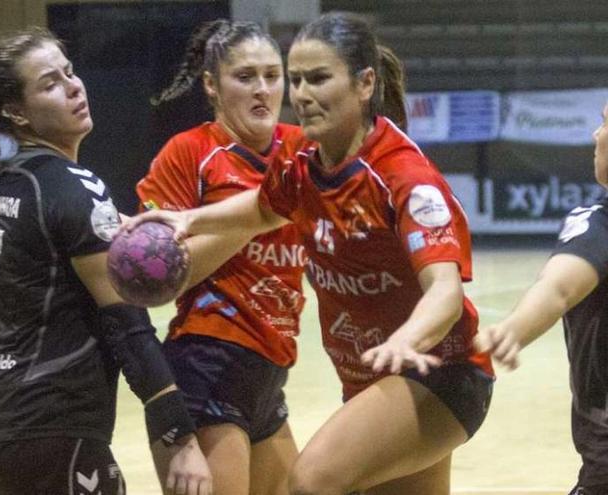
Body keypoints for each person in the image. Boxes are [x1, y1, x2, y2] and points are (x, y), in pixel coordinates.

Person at [127, 11, 495, 495]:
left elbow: (445, 292)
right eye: (296, 79)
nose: (300, 94)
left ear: (365, 84)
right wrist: (189, 219)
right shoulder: (301, 161)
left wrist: (408, 338)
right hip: (364, 378)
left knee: (311, 481)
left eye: (318, 79)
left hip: (436, 371)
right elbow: (264, 209)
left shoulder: (403, 176)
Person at [0, 28, 212, 495]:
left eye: (70, 72)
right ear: (17, 112)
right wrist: (176, 432)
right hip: (51, 430)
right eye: (50, 83)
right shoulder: (75, 185)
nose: (74, 86)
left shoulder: (17, 182)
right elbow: (128, 324)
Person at [137, 19, 308, 495]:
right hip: (208, 362)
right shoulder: (188, 153)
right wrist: (260, 211)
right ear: (211, 84)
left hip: (270, 369)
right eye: (246, 76)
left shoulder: (301, 148)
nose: (263, 90)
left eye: (273, 76)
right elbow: (160, 277)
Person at [476, 103, 608, 495]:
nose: (595, 135)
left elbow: (558, 288)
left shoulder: (599, 221)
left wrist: (512, 330)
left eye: (604, 122)